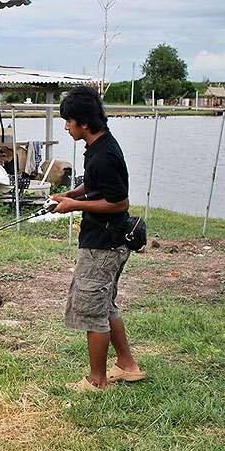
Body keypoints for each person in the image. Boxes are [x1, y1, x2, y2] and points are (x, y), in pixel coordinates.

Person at [50, 85, 145, 392]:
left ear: (84, 123)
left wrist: (75, 205)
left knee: (93, 312)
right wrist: (69, 195)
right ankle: (127, 366)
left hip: (104, 245)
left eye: (69, 121)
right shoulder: (99, 145)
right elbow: (95, 186)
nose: (66, 126)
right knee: (106, 306)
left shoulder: (104, 155)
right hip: (104, 241)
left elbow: (120, 203)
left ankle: (97, 380)